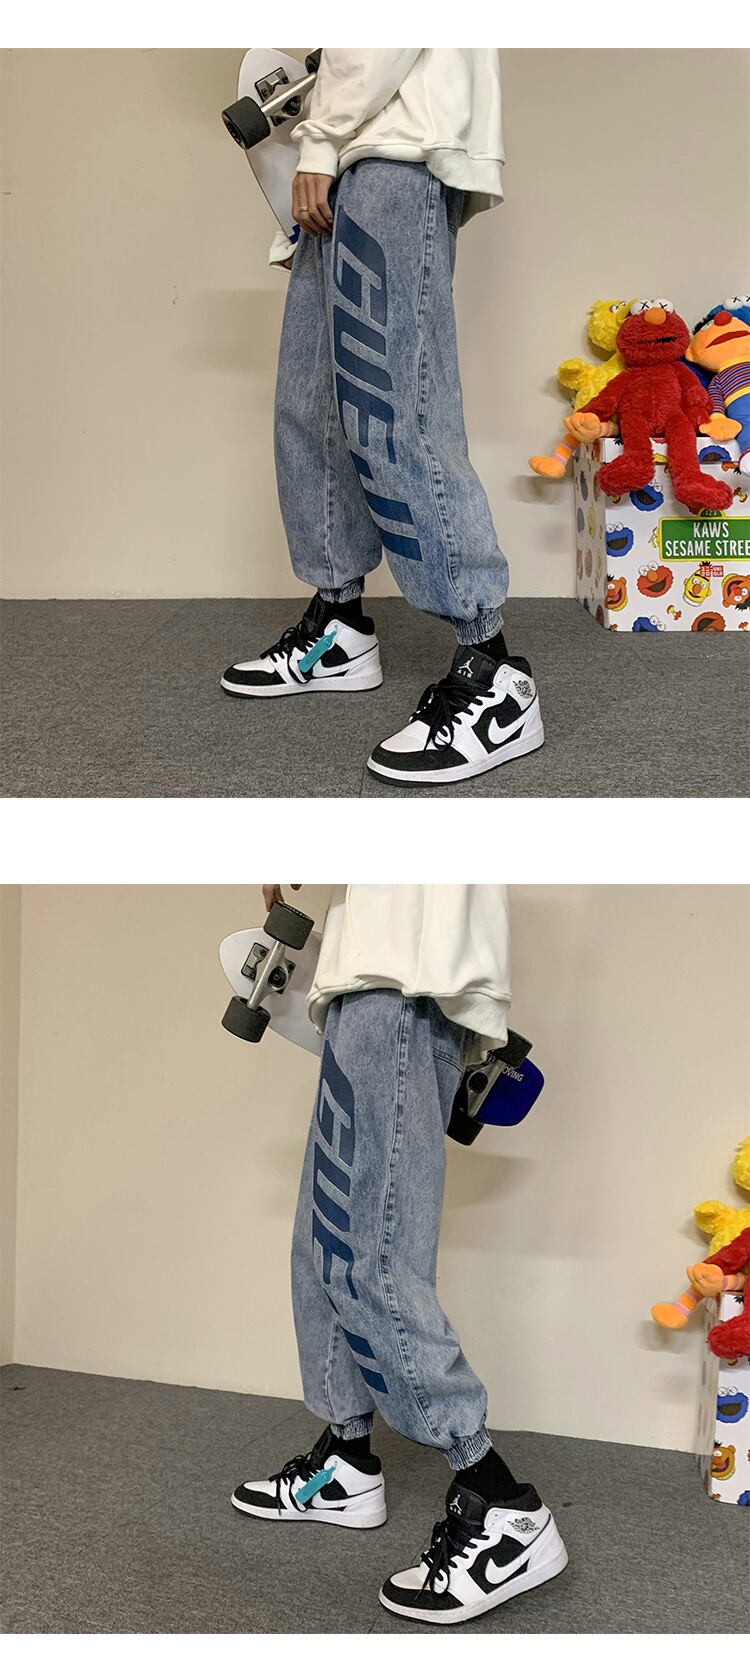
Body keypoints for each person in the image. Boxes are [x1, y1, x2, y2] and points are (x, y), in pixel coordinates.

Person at [231, 884, 568, 1625]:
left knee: (368, 1255)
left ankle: (503, 1505)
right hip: (367, 986)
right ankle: (346, 1461)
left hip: (405, 983)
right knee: (324, 1239)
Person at [221, 51, 544, 788]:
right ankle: (338, 628)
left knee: (394, 412)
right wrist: (317, 160)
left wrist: (320, 143)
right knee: (312, 406)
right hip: (349, 161)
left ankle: (495, 673)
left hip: (392, 155)